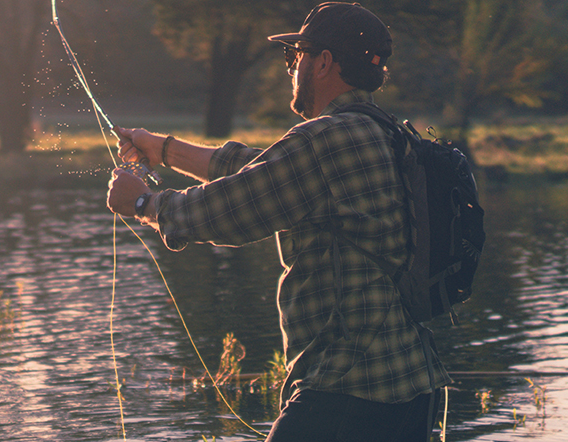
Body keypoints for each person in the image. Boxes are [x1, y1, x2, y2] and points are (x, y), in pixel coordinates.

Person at [105, 3, 443, 441]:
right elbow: (258, 170)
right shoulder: (386, 133)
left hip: (349, 388)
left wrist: (144, 204)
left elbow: (229, 212)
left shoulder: (324, 140)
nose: (291, 68)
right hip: (412, 384)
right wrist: (163, 149)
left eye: (295, 56)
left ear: (323, 63)